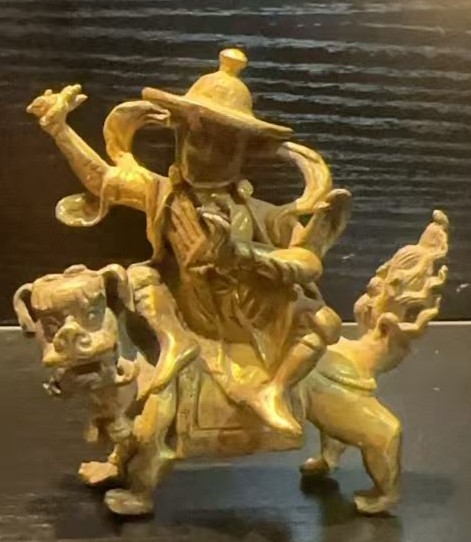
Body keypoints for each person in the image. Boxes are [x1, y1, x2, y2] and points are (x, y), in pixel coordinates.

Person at [27, 48, 345, 436]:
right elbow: (102, 179)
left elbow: (307, 262)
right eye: (199, 139)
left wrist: (241, 253)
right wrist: (59, 129)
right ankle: (174, 347)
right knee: (140, 281)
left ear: (245, 151)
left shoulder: (260, 213)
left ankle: (273, 391)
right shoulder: (159, 192)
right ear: (180, 134)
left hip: (247, 312)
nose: (208, 153)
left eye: (224, 145)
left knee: (323, 322)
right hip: (185, 309)